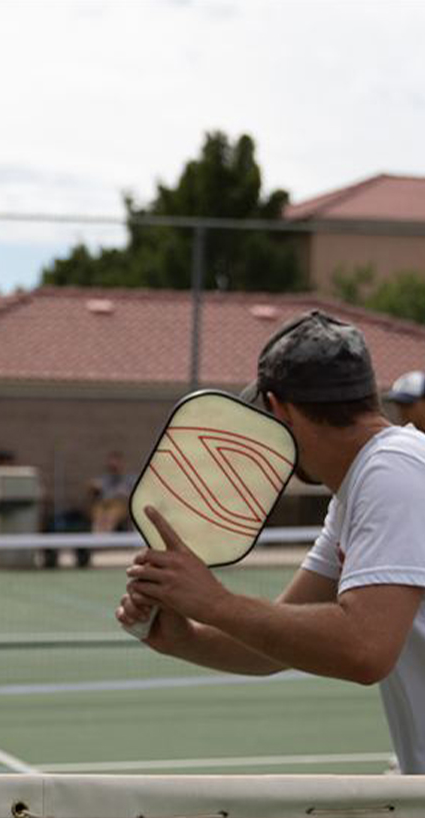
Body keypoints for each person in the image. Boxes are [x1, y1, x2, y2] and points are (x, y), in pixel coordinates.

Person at [117, 310, 425, 774]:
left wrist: (213, 602)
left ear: (278, 408)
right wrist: (185, 637)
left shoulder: (393, 471)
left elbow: (364, 649)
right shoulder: (360, 488)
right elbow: (275, 643)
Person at [89, 451, 135, 533]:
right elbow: (92, 489)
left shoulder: (129, 479)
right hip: (104, 506)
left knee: (110, 515)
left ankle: (104, 540)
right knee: (99, 515)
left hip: (121, 506)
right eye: (111, 466)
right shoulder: (104, 479)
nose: (114, 468)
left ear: (122, 464)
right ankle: (97, 541)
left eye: (116, 465)